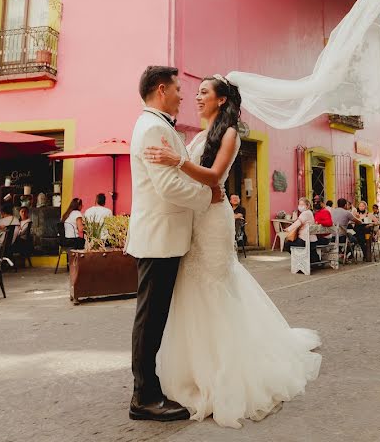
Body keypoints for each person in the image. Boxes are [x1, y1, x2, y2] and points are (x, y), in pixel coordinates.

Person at [145, 73, 321, 428]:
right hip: (197, 217)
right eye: (194, 92)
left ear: (221, 100)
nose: (196, 97)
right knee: (192, 289)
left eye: (203, 92)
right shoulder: (196, 136)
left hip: (214, 221)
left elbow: (214, 175)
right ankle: (194, 369)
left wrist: (174, 161)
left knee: (215, 286)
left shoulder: (229, 134)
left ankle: (226, 372)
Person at [126, 66, 223, 423]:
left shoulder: (158, 124)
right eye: (180, 89)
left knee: (154, 316)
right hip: (158, 237)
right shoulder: (152, 127)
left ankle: (150, 388)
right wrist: (207, 195)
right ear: (162, 90)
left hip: (165, 236)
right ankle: (144, 397)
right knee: (149, 318)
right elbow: (168, 186)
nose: (185, 95)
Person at [284, 197, 320, 263]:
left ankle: (299, 260)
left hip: (305, 240)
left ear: (307, 205)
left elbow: (298, 222)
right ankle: (305, 260)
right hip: (312, 240)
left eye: (302, 205)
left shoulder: (305, 213)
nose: (300, 206)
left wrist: (288, 229)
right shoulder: (309, 212)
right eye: (299, 204)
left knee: (287, 244)